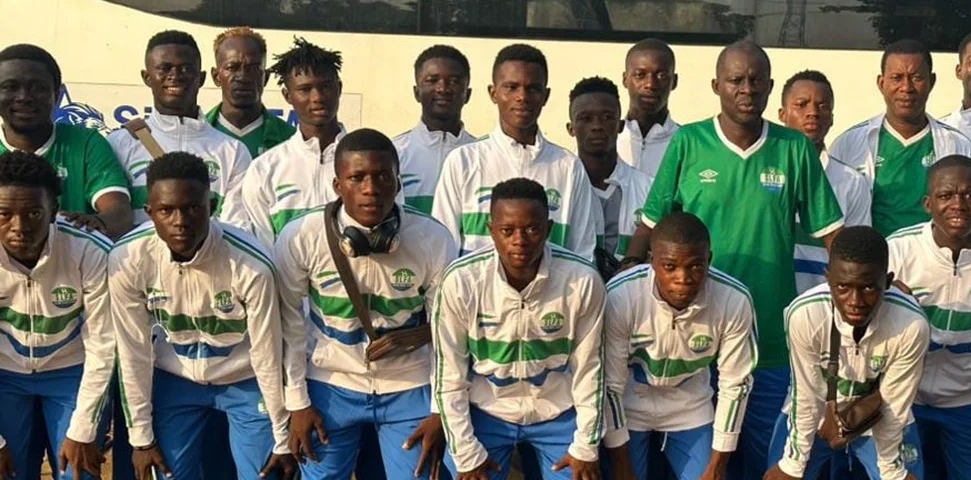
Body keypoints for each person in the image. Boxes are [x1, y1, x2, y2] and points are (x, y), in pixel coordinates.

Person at [623, 40, 845, 480]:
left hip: (770, 335)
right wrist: (630, 267)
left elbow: (832, 235)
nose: (746, 89)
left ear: (769, 88)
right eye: (736, 80)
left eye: (756, 81)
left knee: (767, 460)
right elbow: (651, 223)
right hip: (699, 336)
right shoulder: (690, 142)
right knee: (706, 462)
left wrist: (873, 280)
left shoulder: (794, 149)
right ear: (716, 85)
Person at [276, 129, 455, 479]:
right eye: (357, 178)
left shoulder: (433, 238)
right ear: (337, 185)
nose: (370, 189)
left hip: (409, 388)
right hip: (329, 387)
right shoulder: (301, 236)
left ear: (398, 182)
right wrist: (298, 403)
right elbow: (289, 326)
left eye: (382, 176)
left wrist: (439, 410)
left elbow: (448, 336)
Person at [108, 151, 293, 480]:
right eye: (166, 210)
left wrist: (282, 438)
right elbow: (133, 352)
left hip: (246, 381)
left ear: (212, 206)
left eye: (192, 208)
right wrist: (140, 438)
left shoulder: (251, 265)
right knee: (169, 474)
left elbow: (268, 354)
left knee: (264, 474)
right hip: (175, 380)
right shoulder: (127, 258)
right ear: (150, 212)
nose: (180, 221)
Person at [434, 177, 605, 480]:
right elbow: (449, 376)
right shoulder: (461, 282)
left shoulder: (582, 281)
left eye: (532, 229)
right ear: (491, 231)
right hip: (488, 412)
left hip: (558, 413)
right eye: (507, 230)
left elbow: (591, 371)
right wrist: (465, 452)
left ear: (548, 229)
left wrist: (586, 445)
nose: (519, 240)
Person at [887, 155, 971, 480]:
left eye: (969, 195)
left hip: (970, 400)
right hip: (906, 398)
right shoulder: (898, 251)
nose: (958, 204)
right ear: (928, 204)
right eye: (946, 196)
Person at [765, 226, 929, 480]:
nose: (855, 301)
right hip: (816, 412)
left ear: (887, 281)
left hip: (880, 413)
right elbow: (807, 394)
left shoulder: (911, 324)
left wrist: (892, 471)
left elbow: (894, 403)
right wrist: (794, 463)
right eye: (843, 287)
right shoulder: (805, 315)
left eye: (868, 288)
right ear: (827, 278)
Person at [603, 211, 757, 480]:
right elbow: (610, 386)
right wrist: (621, 467)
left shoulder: (734, 300)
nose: (683, 278)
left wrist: (717, 465)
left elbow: (735, 386)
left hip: (690, 406)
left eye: (696, 265)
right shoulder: (621, 295)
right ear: (652, 262)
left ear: (709, 260)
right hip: (629, 404)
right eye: (670, 266)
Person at [0, 152, 114, 480]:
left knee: (79, 472)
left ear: (54, 210)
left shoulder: (89, 249)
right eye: (4, 214)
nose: (19, 227)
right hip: (4, 375)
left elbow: (103, 345)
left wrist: (82, 430)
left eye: (33, 213)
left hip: (71, 373)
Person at [433, 44, 599, 258]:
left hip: (551, 291)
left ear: (545, 96)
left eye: (533, 89)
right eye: (511, 87)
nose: (522, 97)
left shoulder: (568, 166)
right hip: (476, 291)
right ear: (493, 93)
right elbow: (442, 248)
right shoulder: (463, 161)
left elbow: (582, 251)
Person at [830, 39, 971, 238]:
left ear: (931, 82)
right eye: (897, 78)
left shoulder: (959, 146)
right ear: (881, 84)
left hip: (932, 263)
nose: (906, 87)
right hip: (873, 263)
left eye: (916, 77)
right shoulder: (849, 144)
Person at [106, 30, 252, 228]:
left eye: (185, 68)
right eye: (164, 68)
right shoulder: (120, 143)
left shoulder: (233, 151)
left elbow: (236, 228)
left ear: (200, 78)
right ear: (147, 77)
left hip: (209, 259)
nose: (174, 76)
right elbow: (112, 220)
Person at [0, 43, 133, 239]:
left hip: (75, 265)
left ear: (58, 94)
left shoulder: (86, 142)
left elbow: (118, 212)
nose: (24, 97)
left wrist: (96, 224)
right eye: (10, 87)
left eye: (37, 88)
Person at [241, 37, 346, 246]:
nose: (317, 97)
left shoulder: (370, 161)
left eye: (325, 86)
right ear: (288, 95)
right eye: (305, 89)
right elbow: (263, 251)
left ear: (339, 88)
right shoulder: (265, 169)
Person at [778, 69, 872, 292]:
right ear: (782, 114)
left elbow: (857, 256)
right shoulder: (761, 170)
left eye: (823, 106)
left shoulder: (851, 182)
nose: (813, 113)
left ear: (832, 118)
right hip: (770, 297)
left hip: (823, 304)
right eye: (802, 104)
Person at [566, 76, 653, 277]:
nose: (597, 126)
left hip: (632, 302)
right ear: (571, 128)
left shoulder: (648, 188)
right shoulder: (562, 185)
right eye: (585, 118)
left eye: (607, 117)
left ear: (621, 125)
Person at [392, 44, 476, 214]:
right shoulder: (394, 153)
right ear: (416, 92)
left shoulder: (481, 156)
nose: (443, 88)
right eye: (432, 80)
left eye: (454, 81)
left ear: (467, 94)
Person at [205, 27, 295, 158]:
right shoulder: (197, 134)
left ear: (266, 77)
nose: (242, 76)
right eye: (232, 67)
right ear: (216, 76)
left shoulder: (290, 139)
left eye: (253, 68)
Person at [617, 38, 679, 177]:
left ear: (674, 81)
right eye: (640, 75)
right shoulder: (607, 139)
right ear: (625, 79)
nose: (650, 84)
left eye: (661, 75)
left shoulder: (686, 143)